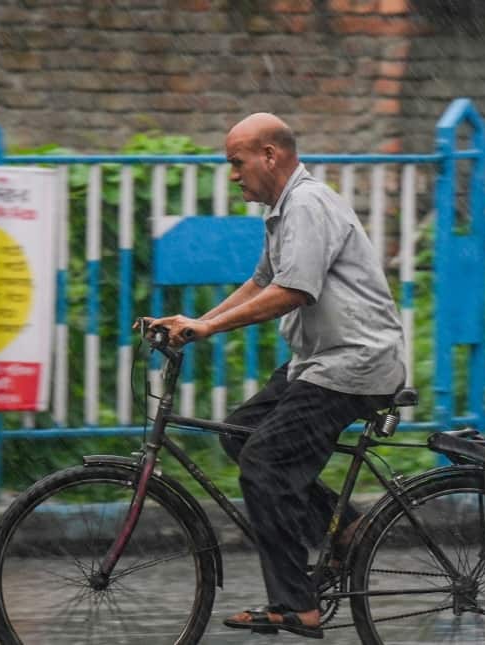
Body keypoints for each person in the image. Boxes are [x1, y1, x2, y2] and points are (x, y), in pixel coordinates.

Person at [145, 112, 406, 639]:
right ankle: (349, 528)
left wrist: (207, 327)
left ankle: (295, 604)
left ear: (270, 155)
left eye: (237, 163)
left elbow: (295, 290)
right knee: (244, 435)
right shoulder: (285, 210)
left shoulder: (307, 204)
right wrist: (200, 325)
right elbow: (263, 279)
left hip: (352, 362)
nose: (234, 175)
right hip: (322, 360)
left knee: (265, 461)